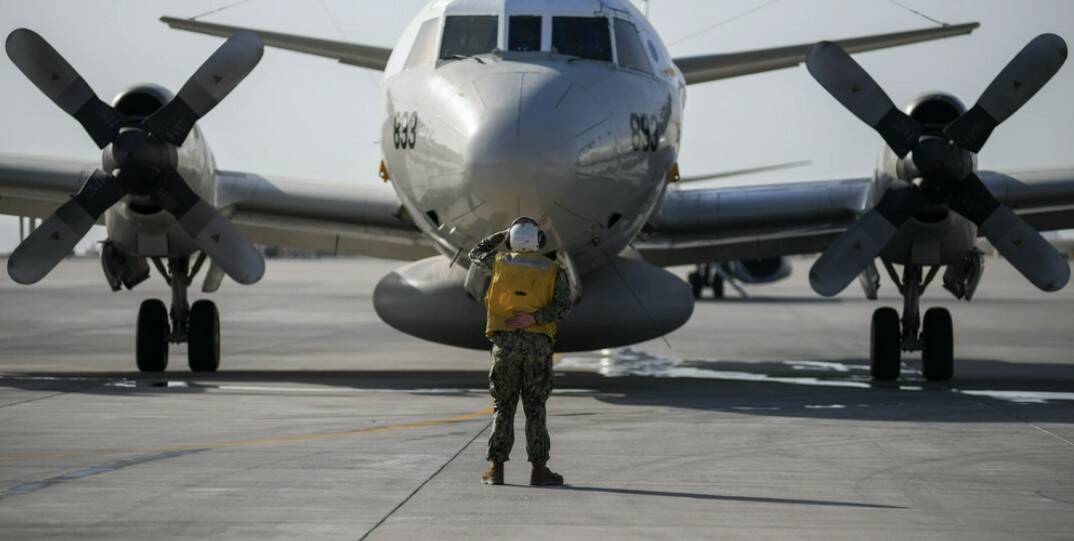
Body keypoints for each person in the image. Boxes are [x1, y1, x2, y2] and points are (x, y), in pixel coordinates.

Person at [468, 217, 572, 486]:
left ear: (512, 239)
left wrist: (502, 234)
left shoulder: (499, 262)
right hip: (537, 347)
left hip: (506, 346)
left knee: (503, 407)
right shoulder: (553, 269)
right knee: (535, 408)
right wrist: (535, 318)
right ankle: (539, 470)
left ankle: (496, 470)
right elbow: (563, 305)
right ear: (538, 241)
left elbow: (475, 253)